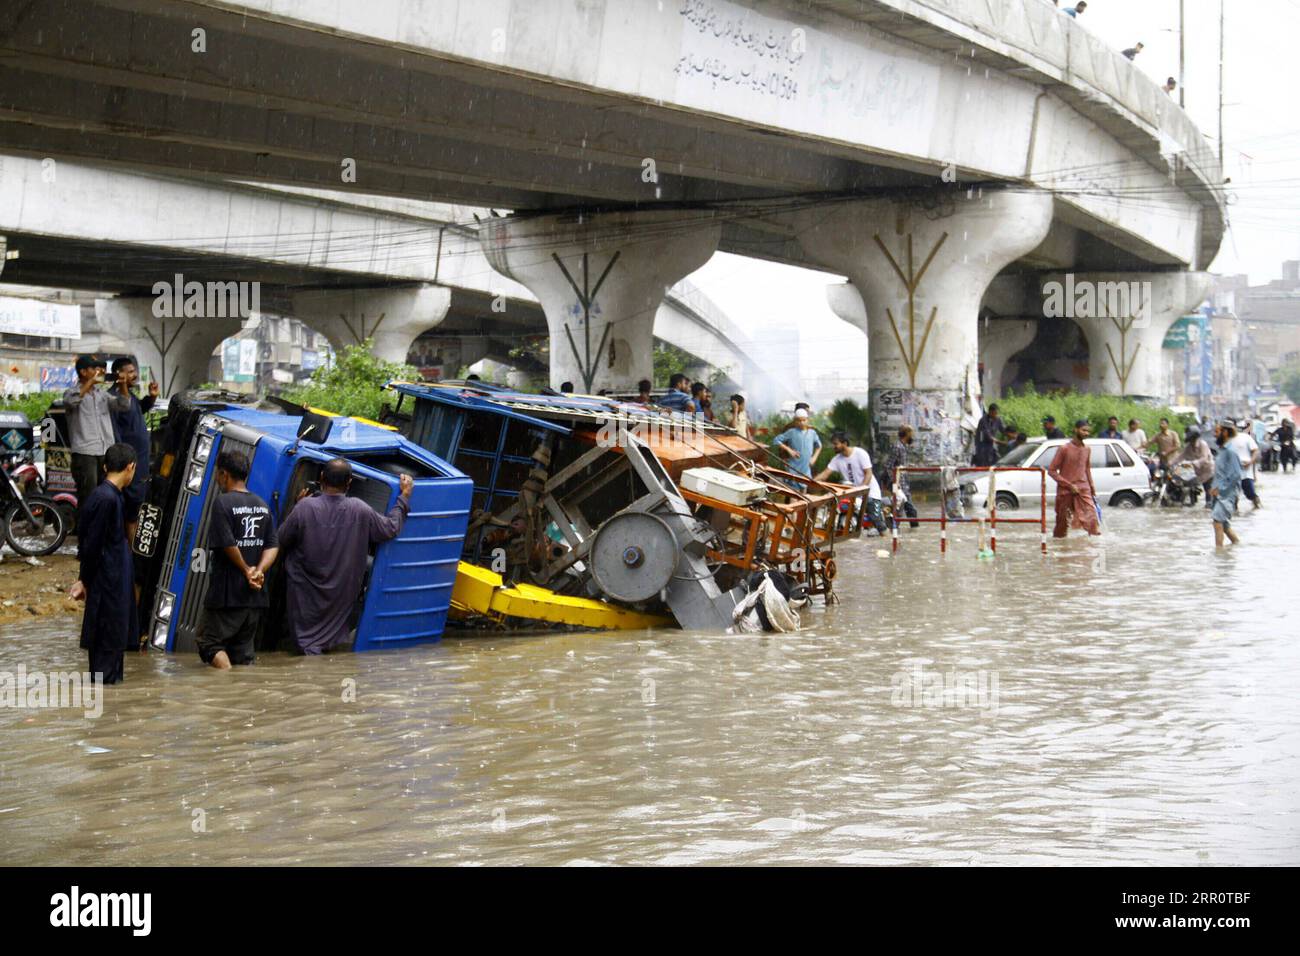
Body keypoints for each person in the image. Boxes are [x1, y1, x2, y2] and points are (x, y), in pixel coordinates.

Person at [276, 459, 413, 655]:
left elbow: (281, 539)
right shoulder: (360, 509)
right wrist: (404, 497)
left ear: (322, 477)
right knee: (326, 648)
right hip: (340, 596)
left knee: (305, 646)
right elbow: (390, 528)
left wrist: (296, 507)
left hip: (304, 594)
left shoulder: (304, 508)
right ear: (349, 483)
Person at [197, 450, 279, 670]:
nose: (216, 478)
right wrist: (258, 571)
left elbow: (227, 543)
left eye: (217, 473)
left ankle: (228, 682)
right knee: (242, 653)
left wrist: (245, 570)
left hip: (227, 594)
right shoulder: (262, 505)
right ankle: (241, 692)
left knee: (209, 642)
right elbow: (272, 545)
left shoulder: (222, 503)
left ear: (224, 474)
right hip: (255, 596)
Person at [69, 443, 138, 685]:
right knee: (105, 658)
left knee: (114, 649)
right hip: (107, 587)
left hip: (113, 584)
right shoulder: (105, 499)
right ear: (130, 467)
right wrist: (84, 580)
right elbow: (91, 546)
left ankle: (110, 709)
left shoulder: (112, 496)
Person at [63, 353, 130, 521]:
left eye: (100, 368)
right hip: (85, 453)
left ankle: (101, 535)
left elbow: (123, 405)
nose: (99, 371)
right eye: (95, 368)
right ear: (84, 372)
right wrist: (91, 383)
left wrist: (122, 386)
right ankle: (85, 539)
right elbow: (71, 402)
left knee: (107, 494)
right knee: (88, 496)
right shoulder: (71, 392)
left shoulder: (102, 394)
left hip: (105, 451)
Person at [108, 357, 159, 536]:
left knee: (137, 506)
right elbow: (117, 429)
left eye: (134, 371)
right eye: (129, 371)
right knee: (131, 508)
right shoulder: (114, 398)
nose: (134, 375)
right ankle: (129, 550)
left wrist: (151, 397)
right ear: (119, 375)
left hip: (141, 461)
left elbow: (138, 409)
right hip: (129, 463)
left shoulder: (131, 396)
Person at [815, 430, 885, 535]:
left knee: (877, 522)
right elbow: (825, 474)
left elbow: (868, 474)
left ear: (845, 443)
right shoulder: (837, 459)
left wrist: (861, 489)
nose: (834, 446)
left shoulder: (860, 453)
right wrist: (810, 481)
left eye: (836, 444)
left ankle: (888, 539)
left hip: (871, 493)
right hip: (856, 495)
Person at [1047, 419, 1100, 537]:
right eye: (1083, 430)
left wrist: (1092, 488)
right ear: (1075, 429)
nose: (1086, 433)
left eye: (1088, 431)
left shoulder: (1087, 449)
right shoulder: (1064, 448)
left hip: (1083, 489)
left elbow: (1087, 469)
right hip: (1065, 491)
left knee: (1092, 519)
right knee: (1062, 525)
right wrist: (1069, 485)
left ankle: (1093, 549)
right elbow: (1051, 471)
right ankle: (1061, 549)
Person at [1210, 421, 1243, 548]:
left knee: (1217, 522)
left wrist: (1221, 489)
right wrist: (1214, 487)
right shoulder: (1222, 451)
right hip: (1220, 493)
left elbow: (1235, 474)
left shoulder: (1231, 451)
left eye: (1217, 432)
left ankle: (1219, 551)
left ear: (1225, 432)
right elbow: (1221, 473)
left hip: (1227, 493)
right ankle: (1237, 545)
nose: (1214, 434)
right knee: (1224, 525)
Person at [882, 425, 920, 529]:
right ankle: (911, 531)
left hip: (903, 483)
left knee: (903, 507)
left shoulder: (903, 446)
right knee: (909, 508)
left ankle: (893, 528)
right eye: (911, 434)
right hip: (898, 483)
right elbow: (888, 466)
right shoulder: (897, 447)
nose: (912, 436)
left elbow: (898, 464)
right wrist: (895, 482)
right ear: (907, 434)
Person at [772, 408, 822, 479]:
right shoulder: (791, 432)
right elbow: (776, 440)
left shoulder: (812, 433)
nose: (801, 422)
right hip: (793, 467)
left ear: (808, 420)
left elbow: (819, 446)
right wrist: (789, 450)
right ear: (795, 421)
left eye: (804, 420)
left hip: (806, 468)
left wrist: (814, 458)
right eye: (799, 420)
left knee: (805, 485)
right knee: (792, 486)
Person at [1174, 425, 1215, 506]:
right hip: (1196, 472)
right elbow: (1180, 457)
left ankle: (1209, 504)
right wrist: (1171, 463)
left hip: (1208, 471)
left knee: (1208, 492)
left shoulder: (1203, 444)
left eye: (1192, 439)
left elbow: (1204, 457)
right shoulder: (1188, 447)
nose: (1191, 441)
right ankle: (1191, 501)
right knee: (1187, 484)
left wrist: (1195, 462)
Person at [1229, 419, 1261, 509]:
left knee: (1250, 494)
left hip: (1245, 472)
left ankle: (1257, 506)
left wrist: (1250, 462)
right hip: (1231, 473)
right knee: (1233, 496)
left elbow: (1255, 451)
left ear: (1235, 426)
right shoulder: (1224, 440)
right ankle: (1235, 514)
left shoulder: (1245, 437)